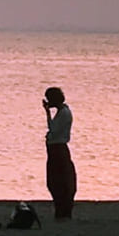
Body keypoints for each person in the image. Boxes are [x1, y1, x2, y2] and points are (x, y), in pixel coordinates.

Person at [43, 86, 77, 219]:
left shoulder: (63, 113)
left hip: (57, 149)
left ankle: (63, 210)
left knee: (57, 180)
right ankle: (62, 209)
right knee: (57, 180)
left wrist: (47, 113)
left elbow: (54, 129)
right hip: (56, 148)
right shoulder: (63, 112)